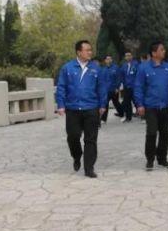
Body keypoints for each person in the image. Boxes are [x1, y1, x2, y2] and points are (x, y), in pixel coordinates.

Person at [55, 40, 107, 179]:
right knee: (73, 136)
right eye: (87, 50)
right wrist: (60, 104)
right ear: (79, 52)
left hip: (91, 108)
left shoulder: (96, 68)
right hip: (73, 108)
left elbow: (102, 88)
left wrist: (102, 105)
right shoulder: (67, 68)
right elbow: (61, 87)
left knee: (91, 139)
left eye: (91, 50)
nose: (90, 52)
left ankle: (89, 168)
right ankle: (77, 156)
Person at [134, 41, 168, 171]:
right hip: (150, 107)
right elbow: (138, 87)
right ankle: (150, 159)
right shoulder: (143, 68)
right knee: (151, 133)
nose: (164, 51)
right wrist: (139, 104)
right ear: (154, 53)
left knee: (165, 134)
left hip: (166, 106)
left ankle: (162, 159)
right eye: (161, 49)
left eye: (164, 49)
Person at [116, 52, 138, 122]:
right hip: (126, 87)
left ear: (132, 56)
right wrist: (120, 85)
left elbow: (139, 76)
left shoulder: (136, 64)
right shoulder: (124, 66)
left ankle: (144, 116)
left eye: (129, 55)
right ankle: (128, 117)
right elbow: (121, 76)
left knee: (137, 101)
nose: (128, 57)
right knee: (127, 102)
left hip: (135, 87)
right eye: (126, 56)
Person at [100, 55, 121, 124]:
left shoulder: (116, 68)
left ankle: (122, 113)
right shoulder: (103, 69)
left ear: (111, 60)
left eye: (110, 59)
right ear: (105, 61)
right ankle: (103, 119)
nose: (108, 60)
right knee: (105, 104)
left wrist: (117, 88)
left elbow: (118, 79)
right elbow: (102, 80)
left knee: (116, 103)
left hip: (114, 90)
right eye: (107, 59)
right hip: (106, 90)